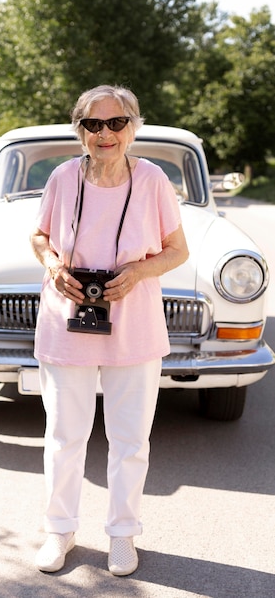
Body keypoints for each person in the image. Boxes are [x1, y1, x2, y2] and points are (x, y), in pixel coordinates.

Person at [30, 84, 189, 575]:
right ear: (79, 130)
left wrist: (138, 272)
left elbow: (177, 250)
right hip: (66, 320)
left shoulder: (153, 180)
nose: (105, 134)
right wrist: (54, 263)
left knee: (129, 440)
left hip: (134, 325)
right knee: (63, 435)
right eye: (93, 124)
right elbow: (38, 235)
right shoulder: (61, 177)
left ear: (132, 128)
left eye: (116, 123)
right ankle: (60, 530)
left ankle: (122, 534)